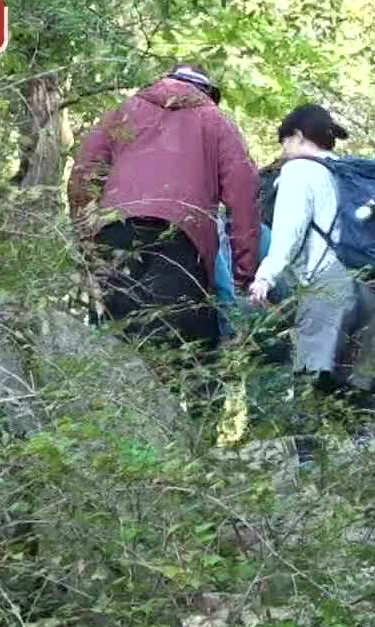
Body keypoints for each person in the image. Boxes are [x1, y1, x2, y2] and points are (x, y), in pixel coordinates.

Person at [67, 65, 259, 400]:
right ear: (207, 92)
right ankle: (183, 437)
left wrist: (84, 235)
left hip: (115, 231)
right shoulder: (215, 121)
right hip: (183, 239)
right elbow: (243, 193)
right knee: (179, 338)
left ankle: (119, 430)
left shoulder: (124, 110)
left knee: (123, 338)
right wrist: (245, 271)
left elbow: (85, 169)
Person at [243, 104, 375, 457]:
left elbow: (288, 234)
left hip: (328, 285)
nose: (283, 152)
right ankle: (371, 463)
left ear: (296, 137)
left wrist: (265, 276)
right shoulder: (351, 173)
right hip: (374, 289)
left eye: (283, 143)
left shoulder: (300, 172)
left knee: (310, 375)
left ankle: (307, 465)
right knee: (356, 381)